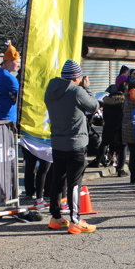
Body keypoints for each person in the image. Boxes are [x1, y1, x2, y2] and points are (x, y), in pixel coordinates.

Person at [44, 60, 98, 234]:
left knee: (57, 181)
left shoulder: (50, 89)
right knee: (74, 183)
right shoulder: (76, 91)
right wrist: (87, 88)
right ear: (76, 77)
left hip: (57, 142)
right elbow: (94, 106)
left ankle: (56, 217)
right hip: (76, 143)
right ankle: (75, 220)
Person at [0, 42, 20, 122]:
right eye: (17, 62)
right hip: (8, 119)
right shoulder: (9, 78)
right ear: (8, 62)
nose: (18, 65)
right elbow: (20, 98)